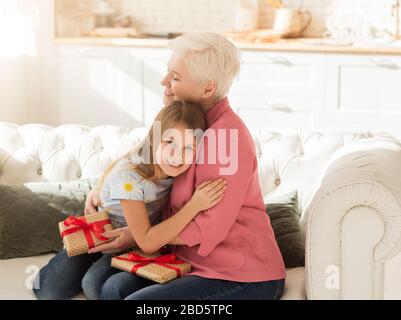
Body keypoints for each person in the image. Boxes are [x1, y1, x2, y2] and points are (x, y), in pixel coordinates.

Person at [85, 32, 286, 300]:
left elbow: (209, 227)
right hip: (187, 262)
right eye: (168, 72)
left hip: (240, 275)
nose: (164, 81)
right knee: (109, 287)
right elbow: (137, 156)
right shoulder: (184, 121)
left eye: (175, 77)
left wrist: (141, 236)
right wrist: (98, 187)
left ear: (208, 89)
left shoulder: (227, 139)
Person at [33, 100, 227, 300]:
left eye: (188, 147)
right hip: (107, 232)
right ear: (153, 140)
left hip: (133, 242)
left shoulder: (176, 170)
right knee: (48, 290)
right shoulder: (130, 178)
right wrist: (195, 205)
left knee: (93, 285)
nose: (177, 155)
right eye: (170, 142)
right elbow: (146, 239)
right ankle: (78, 260)